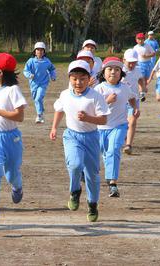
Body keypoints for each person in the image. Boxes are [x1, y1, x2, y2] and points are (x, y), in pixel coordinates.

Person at [49, 60, 109, 222]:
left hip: (91, 137)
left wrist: (88, 118)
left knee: (92, 174)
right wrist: (54, 127)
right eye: (74, 78)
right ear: (69, 78)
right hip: (72, 136)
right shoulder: (65, 94)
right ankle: (75, 191)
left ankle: (92, 204)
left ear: (88, 78)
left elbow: (103, 120)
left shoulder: (95, 96)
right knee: (74, 165)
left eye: (82, 78)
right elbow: (59, 110)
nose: (78, 82)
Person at [0, 53, 27, 225]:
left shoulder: (12, 90)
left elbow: (20, 116)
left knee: (12, 173)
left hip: (11, 139)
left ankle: (17, 186)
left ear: (0, 73)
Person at [95, 57, 140, 197]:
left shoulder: (125, 87)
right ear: (103, 72)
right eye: (109, 69)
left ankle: (113, 183)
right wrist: (106, 101)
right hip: (100, 128)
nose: (113, 72)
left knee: (114, 150)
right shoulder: (99, 88)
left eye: (117, 69)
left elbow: (132, 97)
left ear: (121, 73)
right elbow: (93, 108)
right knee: (102, 154)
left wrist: (134, 108)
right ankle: (99, 174)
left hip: (119, 126)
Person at [23, 42, 56, 124]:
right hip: (33, 84)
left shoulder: (47, 61)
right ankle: (41, 110)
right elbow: (25, 70)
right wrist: (29, 75)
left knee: (38, 98)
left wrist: (53, 76)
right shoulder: (31, 61)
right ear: (34, 51)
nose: (40, 52)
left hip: (43, 83)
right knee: (36, 99)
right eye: (38, 50)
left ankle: (39, 115)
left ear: (44, 52)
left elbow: (52, 69)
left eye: (42, 50)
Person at [122, 49, 146, 155]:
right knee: (122, 124)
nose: (132, 64)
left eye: (134, 62)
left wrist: (142, 90)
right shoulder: (119, 70)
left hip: (133, 100)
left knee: (132, 120)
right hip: (120, 101)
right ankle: (125, 137)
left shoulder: (138, 70)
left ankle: (128, 145)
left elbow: (140, 80)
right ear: (124, 60)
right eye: (129, 62)